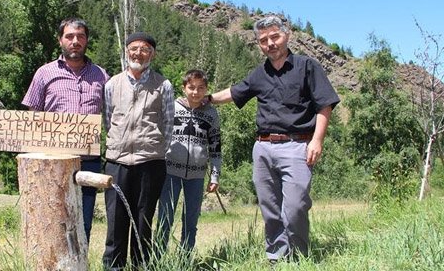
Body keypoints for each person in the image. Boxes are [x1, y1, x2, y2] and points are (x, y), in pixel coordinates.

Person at [208, 15, 340, 263]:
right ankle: (276, 259)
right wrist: (205, 99)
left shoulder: (307, 66)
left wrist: (317, 140)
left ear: (286, 35)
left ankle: (299, 258)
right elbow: (234, 92)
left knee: (296, 207)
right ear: (259, 44)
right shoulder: (260, 74)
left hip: (297, 145)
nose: (270, 43)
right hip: (263, 149)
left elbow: (325, 105)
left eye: (274, 37)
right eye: (263, 40)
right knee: (270, 209)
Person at [21, 17, 109, 243]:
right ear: (60, 40)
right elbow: (33, 114)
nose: (75, 41)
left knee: (84, 221)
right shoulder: (44, 73)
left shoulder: (101, 75)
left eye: (80, 36)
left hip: (88, 159)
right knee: (53, 218)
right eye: (69, 36)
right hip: (52, 161)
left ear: (87, 40)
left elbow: (111, 114)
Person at [102, 32, 174, 270]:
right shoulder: (112, 84)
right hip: (117, 161)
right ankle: (114, 267)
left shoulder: (163, 85)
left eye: (144, 49)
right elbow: (107, 119)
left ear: (152, 54)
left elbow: (168, 124)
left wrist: (154, 149)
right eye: (134, 48)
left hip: (150, 162)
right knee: (116, 222)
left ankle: (141, 266)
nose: (138, 53)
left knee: (143, 221)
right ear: (126, 51)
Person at [157, 69, 222, 252]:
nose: (195, 92)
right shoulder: (172, 107)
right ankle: (158, 259)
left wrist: (215, 176)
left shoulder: (211, 114)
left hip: (197, 175)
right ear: (183, 88)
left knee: (191, 220)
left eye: (201, 88)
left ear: (206, 89)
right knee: (165, 218)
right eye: (191, 87)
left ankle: (185, 260)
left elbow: (216, 147)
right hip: (169, 172)